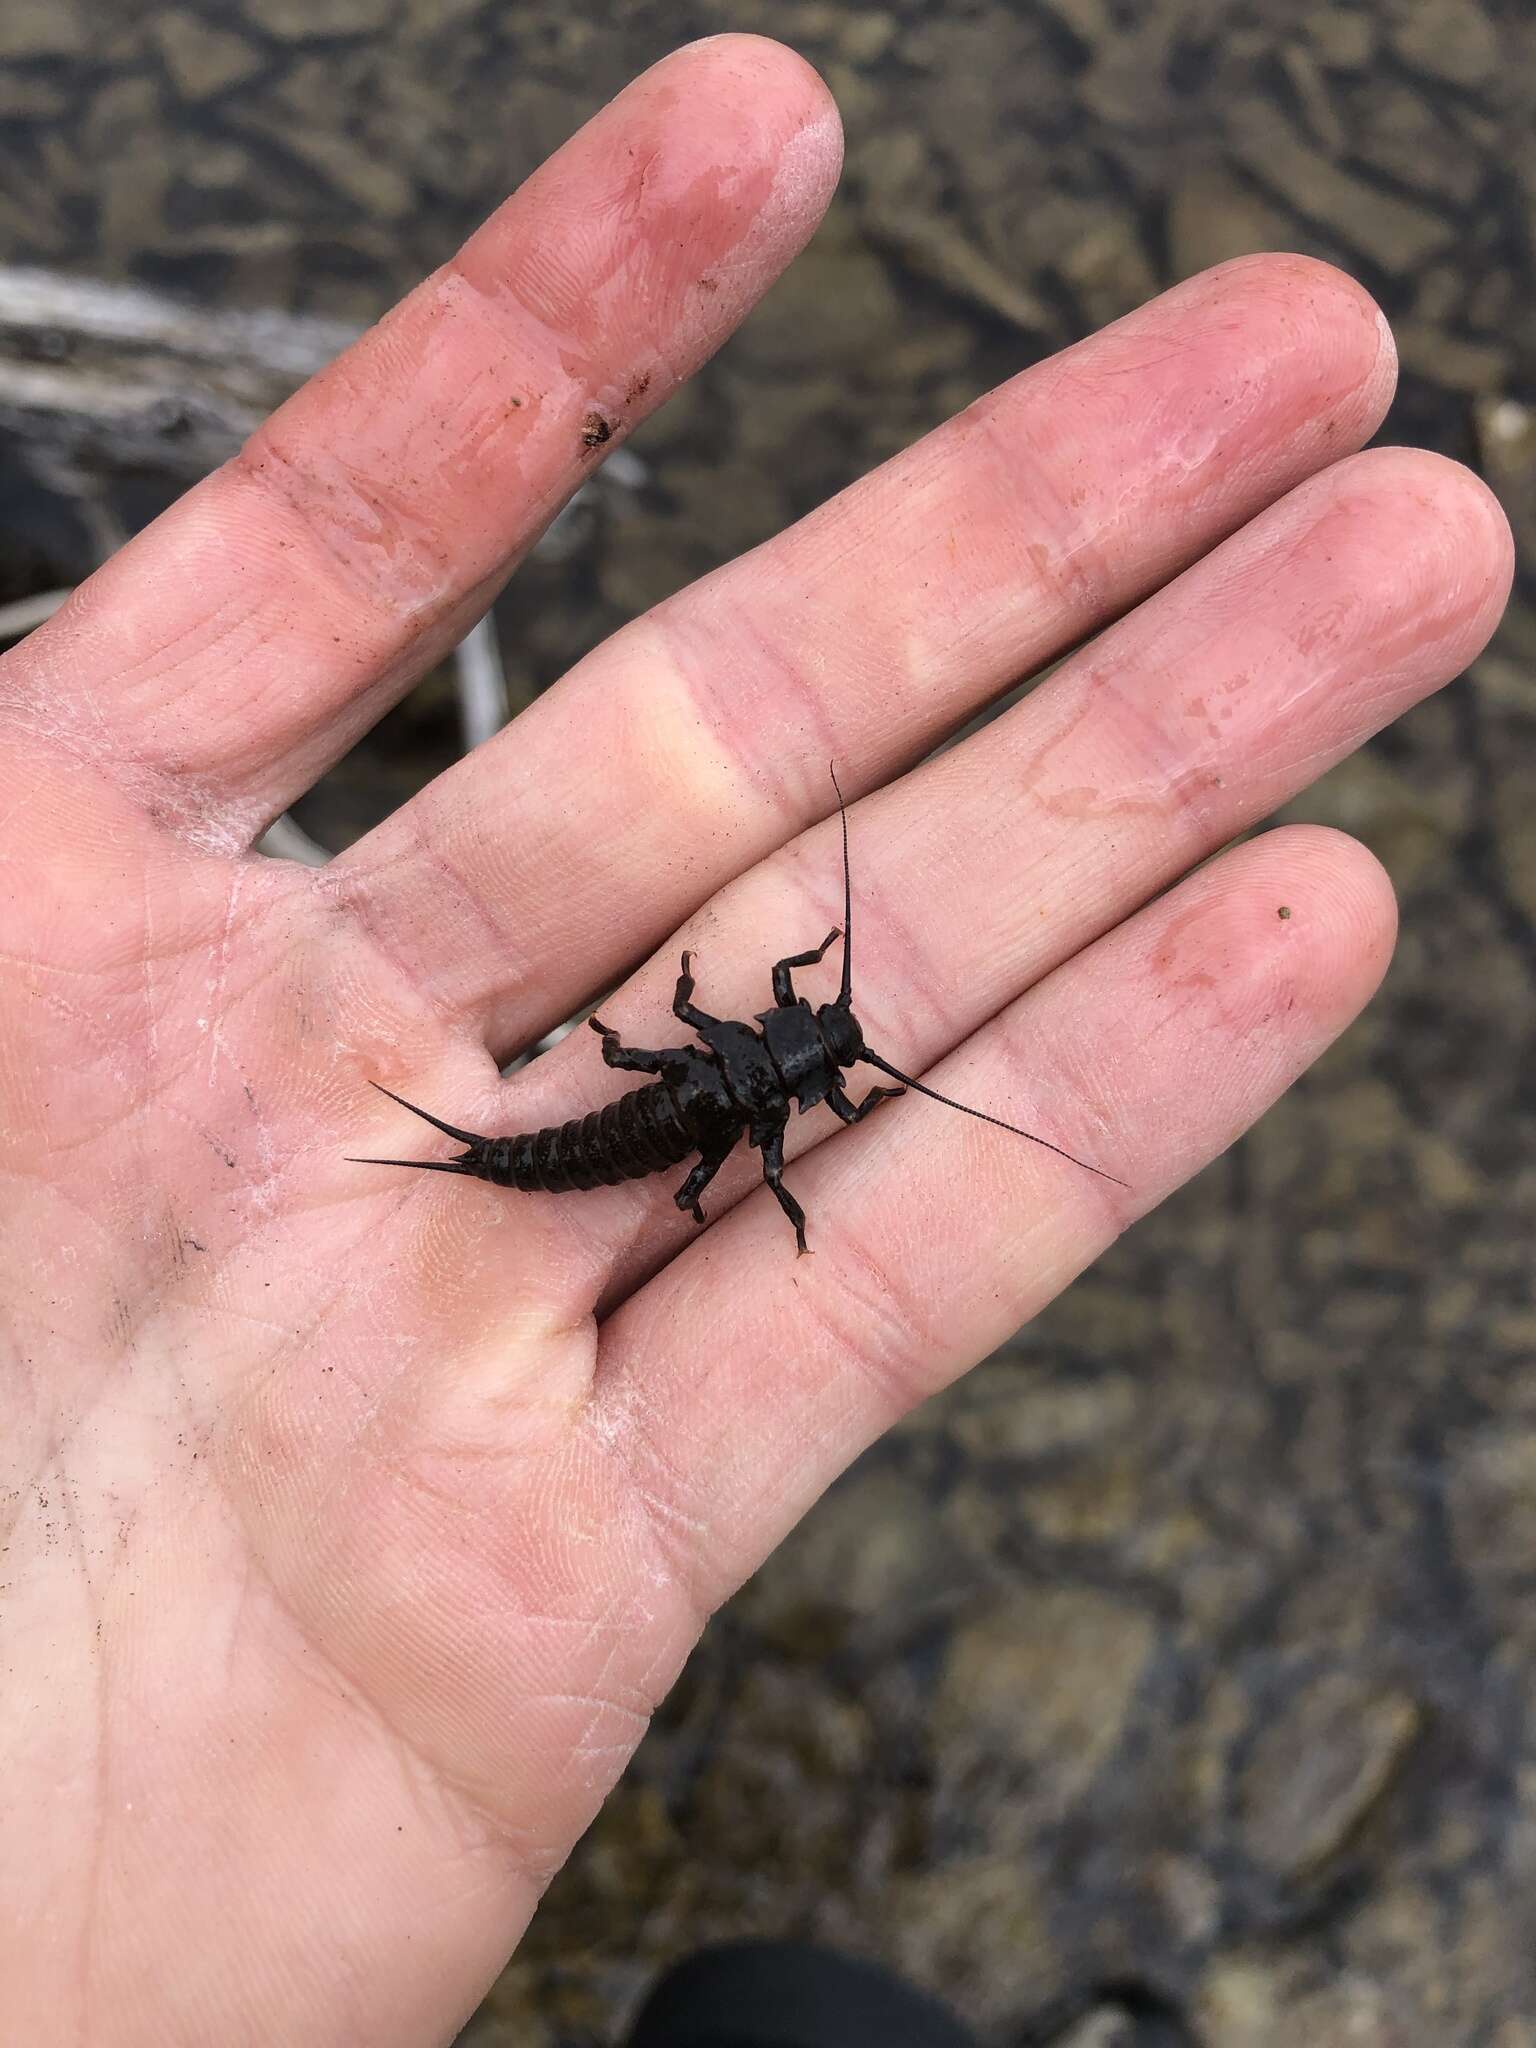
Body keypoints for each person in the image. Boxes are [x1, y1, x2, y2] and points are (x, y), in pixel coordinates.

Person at [0, 32, 1512, 2048]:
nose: (821, 1052)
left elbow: (736, 1069)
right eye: (823, 1050)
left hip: (618, 1124)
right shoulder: (756, 1097)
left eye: (820, 1055)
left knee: (600, 1143)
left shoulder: (746, 1071)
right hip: (610, 1131)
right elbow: (744, 1108)